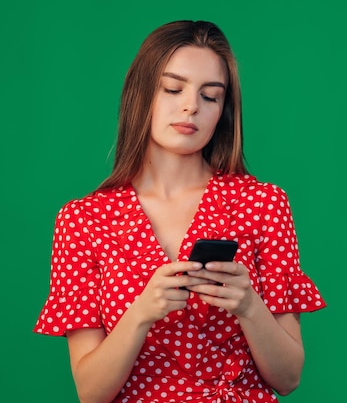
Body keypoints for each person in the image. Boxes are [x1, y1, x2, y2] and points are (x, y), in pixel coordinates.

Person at [34, 20, 326, 403]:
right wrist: (141, 313)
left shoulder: (263, 204)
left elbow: (288, 378)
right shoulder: (84, 219)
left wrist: (249, 305)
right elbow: (90, 392)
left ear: (224, 110)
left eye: (211, 96)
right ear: (141, 94)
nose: (191, 106)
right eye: (173, 88)